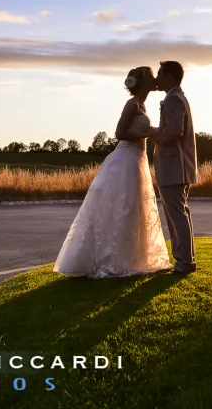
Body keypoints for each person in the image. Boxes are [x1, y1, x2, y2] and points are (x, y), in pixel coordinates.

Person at [53, 66, 172, 278]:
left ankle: (131, 256)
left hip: (138, 158)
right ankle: (109, 259)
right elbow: (119, 133)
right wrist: (144, 133)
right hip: (126, 158)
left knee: (133, 207)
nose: (154, 78)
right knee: (121, 205)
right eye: (150, 75)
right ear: (142, 81)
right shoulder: (132, 104)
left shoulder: (142, 105)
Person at [148, 60, 198, 274]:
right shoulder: (178, 97)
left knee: (177, 216)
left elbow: (174, 131)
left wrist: (150, 132)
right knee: (181, 215)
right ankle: (186, 261)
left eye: (160, 74)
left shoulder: (173, 99)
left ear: (169, 76)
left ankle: (185, 263)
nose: (157, 79)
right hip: (179, 167)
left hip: (173, 167)